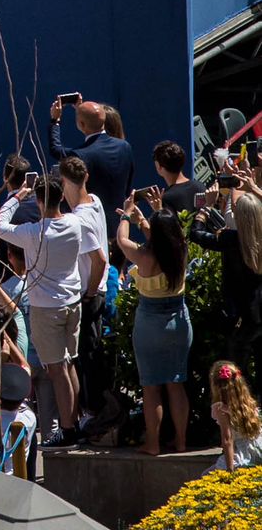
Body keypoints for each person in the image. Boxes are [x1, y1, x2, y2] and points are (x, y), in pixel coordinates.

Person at [0, 173, 90, 444]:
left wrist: (17, 196)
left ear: (38, 201)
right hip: (72, 302)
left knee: (57, 370)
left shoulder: (32, 233)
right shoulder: (75, 223)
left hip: (46, 309)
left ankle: (69, 429)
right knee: (69, 363)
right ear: (61, 196)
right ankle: (75, 421)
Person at [118, 192, 191, 455]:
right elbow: (164, 238)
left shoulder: (145, 257)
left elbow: (121, 240)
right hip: (179, 321)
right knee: (176, 382)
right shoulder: (180, 249)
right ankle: (181, 442)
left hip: (150, 323)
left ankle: (154, 444)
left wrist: (127, 214)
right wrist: (153, 215)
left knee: (151, 387)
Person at [210, 360, 262, 471]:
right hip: (258, 450)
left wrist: (230, 469)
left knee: (206, 475)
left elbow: (227, 440)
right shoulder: (248, 403)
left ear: (214, 385)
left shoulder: (220, 408)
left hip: (242, 455)